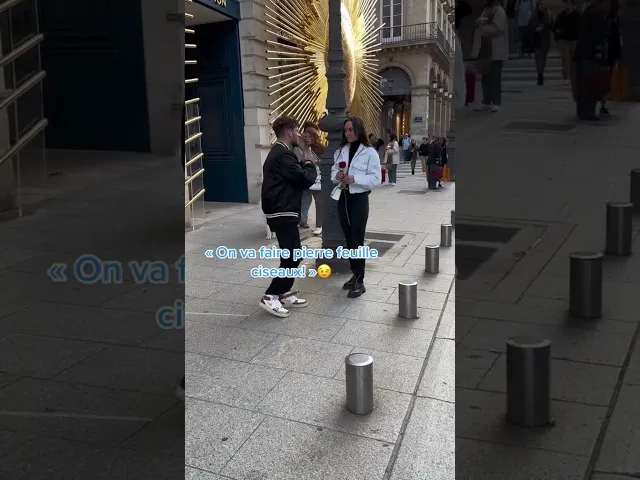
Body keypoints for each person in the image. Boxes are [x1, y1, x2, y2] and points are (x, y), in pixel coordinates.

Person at [260, 116, 317, 317]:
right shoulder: (283, 154)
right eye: (297, 131)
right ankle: (271, 295)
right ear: (290, 132)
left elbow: (294, 174)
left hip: (283, 209)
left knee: (293, 255)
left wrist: (304, 156)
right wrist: (309, 162)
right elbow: (305, 179)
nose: (299, 135)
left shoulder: (281, 153)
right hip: (281, 210)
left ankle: (282, 292)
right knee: (292, 255)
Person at [331, 117, 381, 298]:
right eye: (346, 130)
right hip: (343, 197)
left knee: (357, 239)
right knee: (348, 239)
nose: (348, 133)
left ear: (358, 130)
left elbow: (376, 178)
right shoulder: (340, 150)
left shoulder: (369, 152)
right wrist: (337, 176)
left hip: (359, 199)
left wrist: (355, 179)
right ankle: (354, 274)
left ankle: (360, 279)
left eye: (351, 130)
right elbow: (333, 172)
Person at [574, 0, 608, 121]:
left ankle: (582, 110)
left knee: (584, 82)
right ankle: (589, 110)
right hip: (591, 54)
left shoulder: (587, 13)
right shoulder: (598, 14)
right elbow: (599, 35)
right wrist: (599, 51)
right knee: (592, 82)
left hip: (582, 53)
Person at [475, 0, 509, 113]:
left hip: (496, 50)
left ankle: (496, 102)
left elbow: (497, 28)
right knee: (486, 76)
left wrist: (482, 27)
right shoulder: (487, 10)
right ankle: (486, 100)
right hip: (486, 49)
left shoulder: (499, 10)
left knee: (495, 77)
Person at [554, 0, 581, 98]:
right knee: (565, 59)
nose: (566, 5)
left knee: (573, 60)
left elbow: (581, 27)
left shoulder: (577, 15)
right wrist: (558, 35)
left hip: (574, 40)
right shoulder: (561, 15)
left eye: (567, 3)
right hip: (564, 40)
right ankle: (567, 77)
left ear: (572, 4)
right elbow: (556, 27)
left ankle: (573, 77)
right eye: (565, 3)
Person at [303, 123, 325, 235]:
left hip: (319, 178)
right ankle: (303, 220)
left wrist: (314, 161)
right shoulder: (305, 148)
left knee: (319, 203)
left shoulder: (320, 149)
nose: (307, 139)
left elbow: (325, 163)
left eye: (309, 136)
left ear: (314, 137)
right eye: (305, 136)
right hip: (309, 177)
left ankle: (319, 226)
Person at [601, 0, 621, 117]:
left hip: (610, 53)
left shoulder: (610, 19)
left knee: (607, 78)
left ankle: (604, 103)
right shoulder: (611, 20)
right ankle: (604, 103)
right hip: (610, 53)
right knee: (607, 79)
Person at [532, 0, 553, 85]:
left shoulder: (548, 13)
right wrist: (536, 28)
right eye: (540, 5)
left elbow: (550, 24)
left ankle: (541, 72)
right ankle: (539, 74)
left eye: (542, 4)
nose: (541, 6)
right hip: (537, 38)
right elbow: (532, 24)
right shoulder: (535, 14)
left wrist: (546, 14)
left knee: (543, 57)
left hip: (545, 38)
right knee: (538, 57)